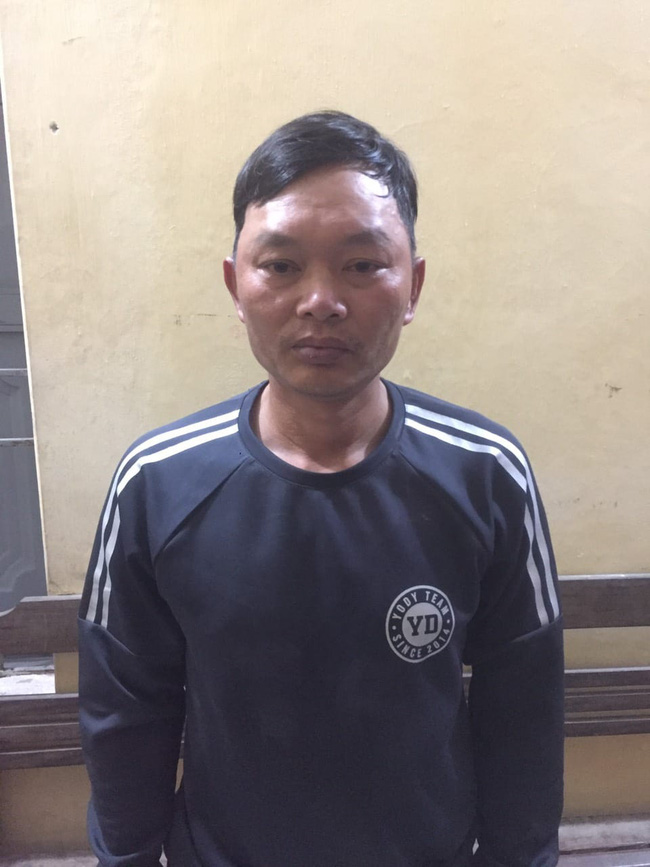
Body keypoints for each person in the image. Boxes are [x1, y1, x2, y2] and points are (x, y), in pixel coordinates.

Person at [78, 110, 564, 867]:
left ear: (413, 286)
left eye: (362, 265)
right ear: (236, 285)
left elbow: (523, 712)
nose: (320, 301)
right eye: (281, 266)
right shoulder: (158, 483)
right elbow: (125, 713)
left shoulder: (486, 473)